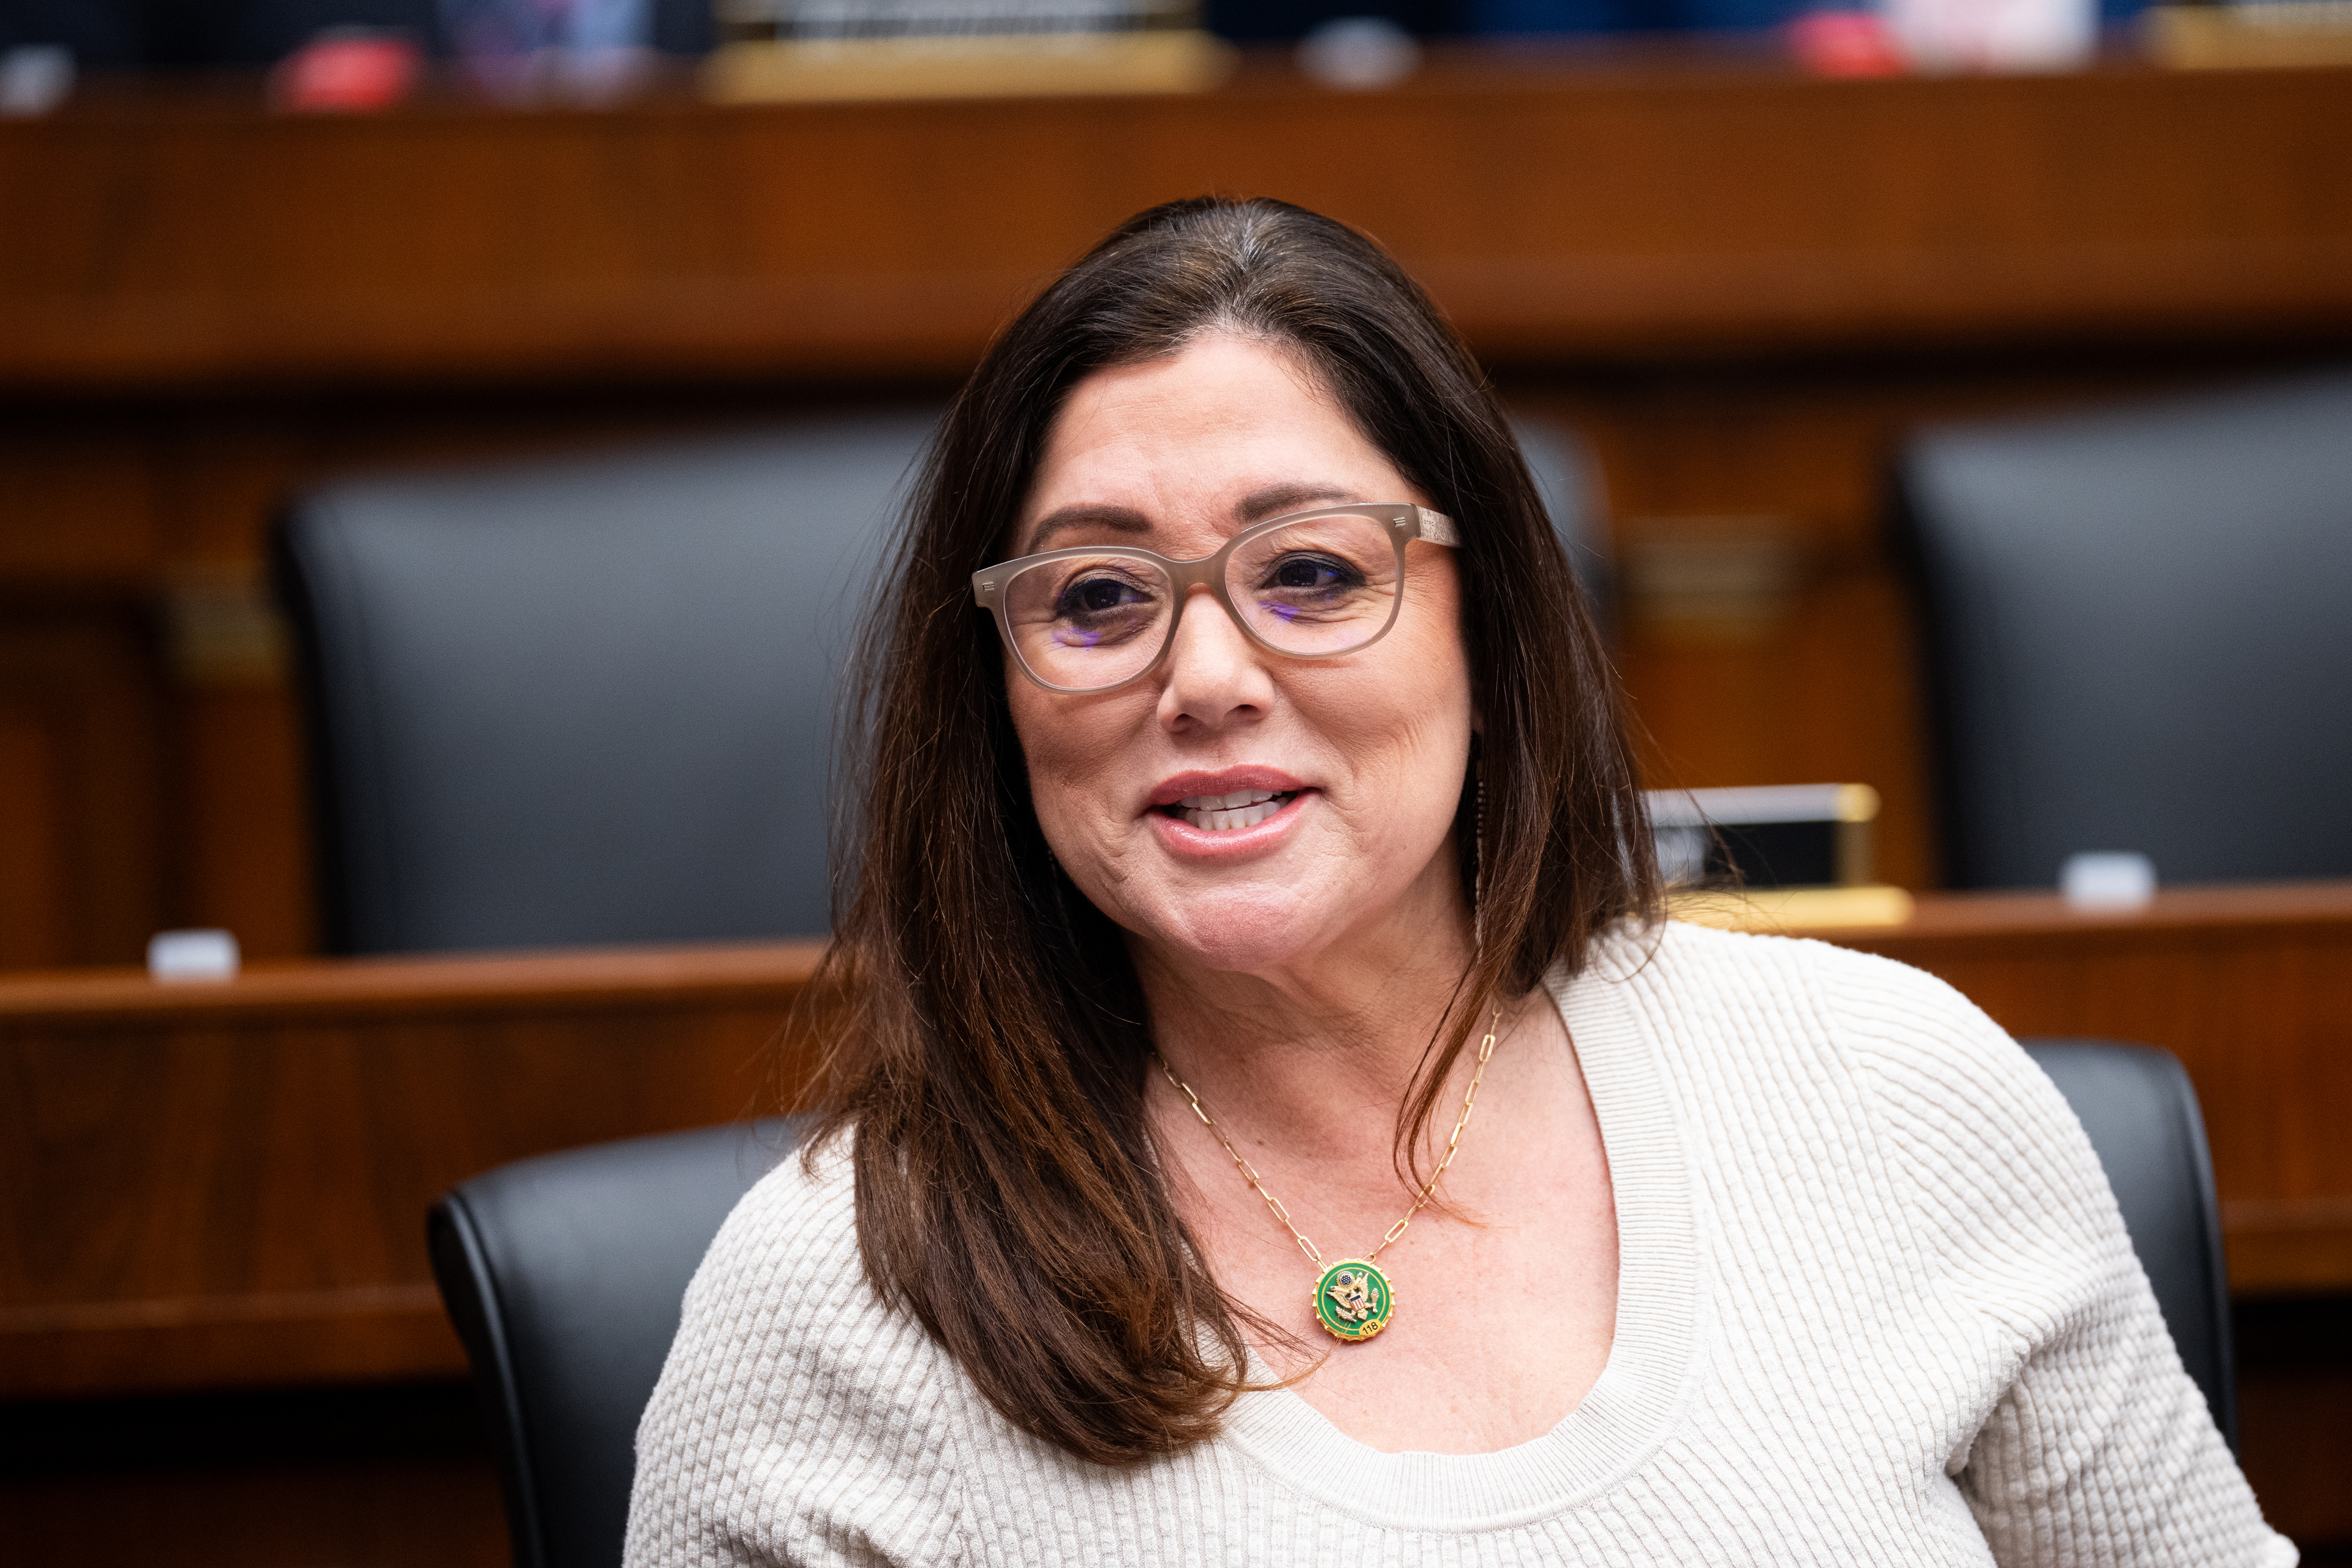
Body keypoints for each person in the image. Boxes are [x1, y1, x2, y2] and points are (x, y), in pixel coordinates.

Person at [625, 196, 2291, 1566]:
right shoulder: (831, 1300)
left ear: (1486, 626)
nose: (1203, 671)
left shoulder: (1896, 1087)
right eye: (1098, 598)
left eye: (1311, 572)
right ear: (992, 688)